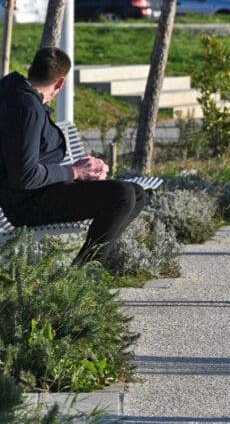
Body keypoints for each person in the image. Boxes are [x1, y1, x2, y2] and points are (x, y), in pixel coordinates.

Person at [0, 48, 146, 266]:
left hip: (41, 192)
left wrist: (79, 172)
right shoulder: (27, 109)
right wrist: (75, 171)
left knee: (137, 193)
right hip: (26, 205)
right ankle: (83, 273)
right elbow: (25, 176)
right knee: (122, 194)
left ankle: (90, 265)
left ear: (32, 69)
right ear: (60, 83)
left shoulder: (17, 94)